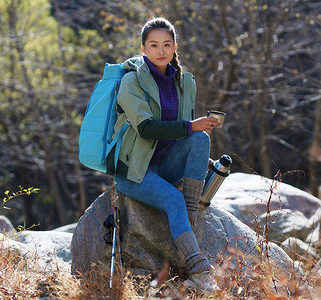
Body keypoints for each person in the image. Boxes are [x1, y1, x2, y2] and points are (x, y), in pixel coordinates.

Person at [105, 17, 221, 293]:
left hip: (163, 166)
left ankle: (191, 220)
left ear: (174, 47)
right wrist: (190, 126)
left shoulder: (181, 82)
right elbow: (146, 129)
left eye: (166, 44)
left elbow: (184, 134)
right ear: (143, 48)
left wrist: (195, 153)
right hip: (133, 171)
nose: (161, 50)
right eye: (154, 45)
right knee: (173, 197)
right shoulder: (131, 82)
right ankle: (200, 270)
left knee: (200, 139)